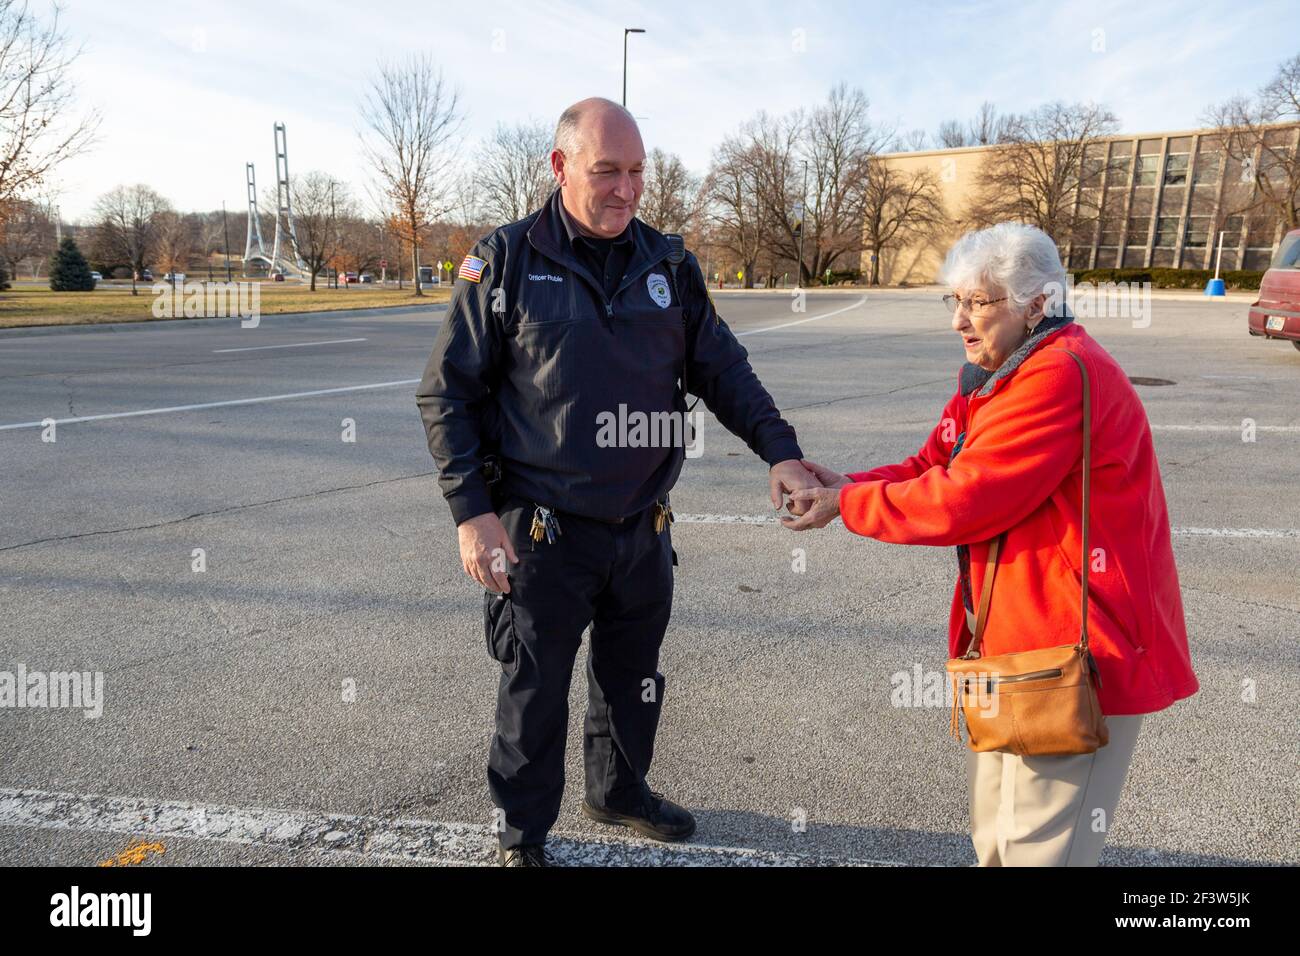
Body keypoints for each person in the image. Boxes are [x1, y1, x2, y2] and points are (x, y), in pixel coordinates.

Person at [416, 97, 818, 867]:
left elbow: (723, 369)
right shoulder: (503, 260)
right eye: (608, 171)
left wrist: (781, 451)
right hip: (542, 529)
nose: (627, 189)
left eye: (638, 171)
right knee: (534, 692)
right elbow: (448, 392)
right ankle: (521, 834)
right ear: (561, 166)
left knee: (633, 678)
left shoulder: (666, 263)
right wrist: (472, 513)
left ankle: (619, 790)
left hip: (642, 526)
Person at [783, 222, 1199, 866]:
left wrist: (847, 506)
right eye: (954, 300)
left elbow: (964, 498)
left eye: (980, 302)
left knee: (1041, 851)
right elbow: (934, 463)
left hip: (1074, 653)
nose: (959, 320)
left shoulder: (1057, 373)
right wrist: (845, 485)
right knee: (996, 839)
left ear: (1038, 304)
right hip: (1015, 646)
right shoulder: (1003, 372)